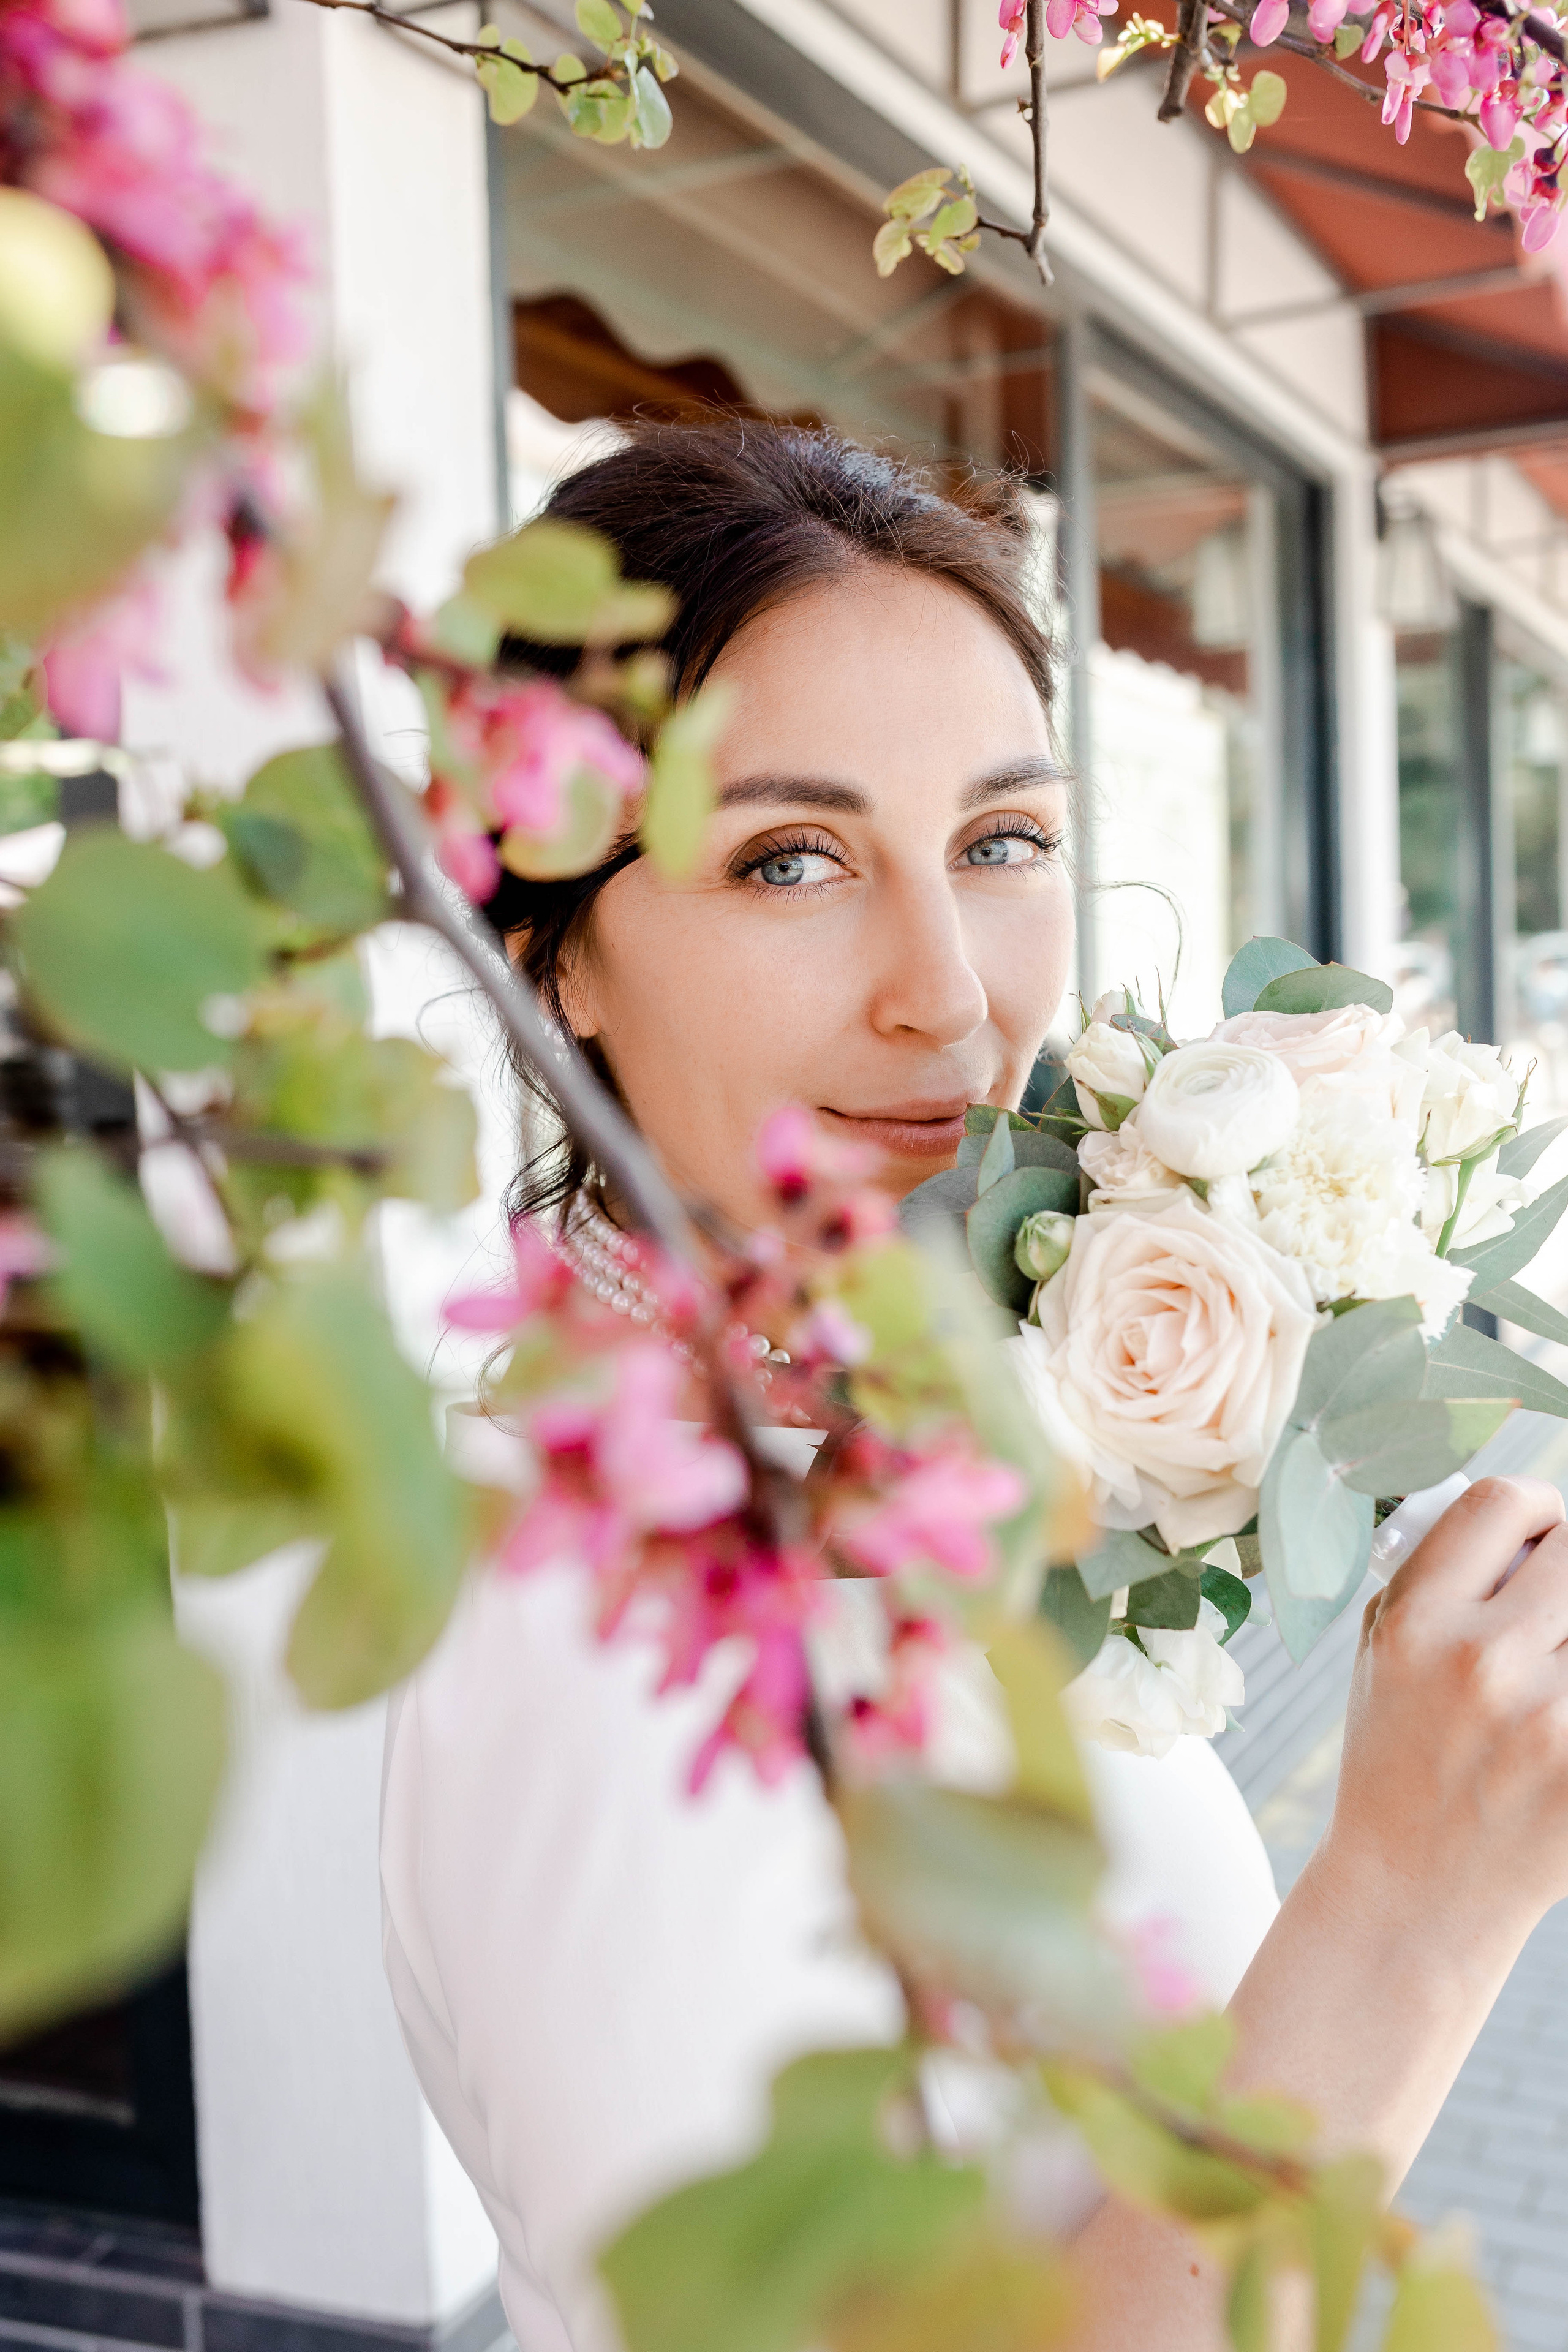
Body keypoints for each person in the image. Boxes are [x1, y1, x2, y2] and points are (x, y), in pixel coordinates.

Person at [380, 420, 1568, 2352]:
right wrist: (1414, 1910)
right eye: (790, 858)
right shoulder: (608, 1657)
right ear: (548, 964)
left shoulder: (868, 1443)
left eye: (1000, 842)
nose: (949, 993)